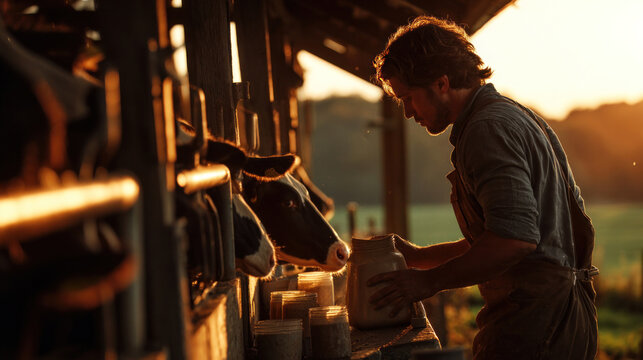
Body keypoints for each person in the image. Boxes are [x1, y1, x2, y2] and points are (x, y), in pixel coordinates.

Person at [367, 16, 599, 359]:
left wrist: (428, 282)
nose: (407, 113)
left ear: (442, 83)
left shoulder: (486, 130)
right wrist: (418, 258)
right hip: (554, 320)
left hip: (537, 331)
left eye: (409, 97)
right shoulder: (512, 115)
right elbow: (499, 238)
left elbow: (513, 241)